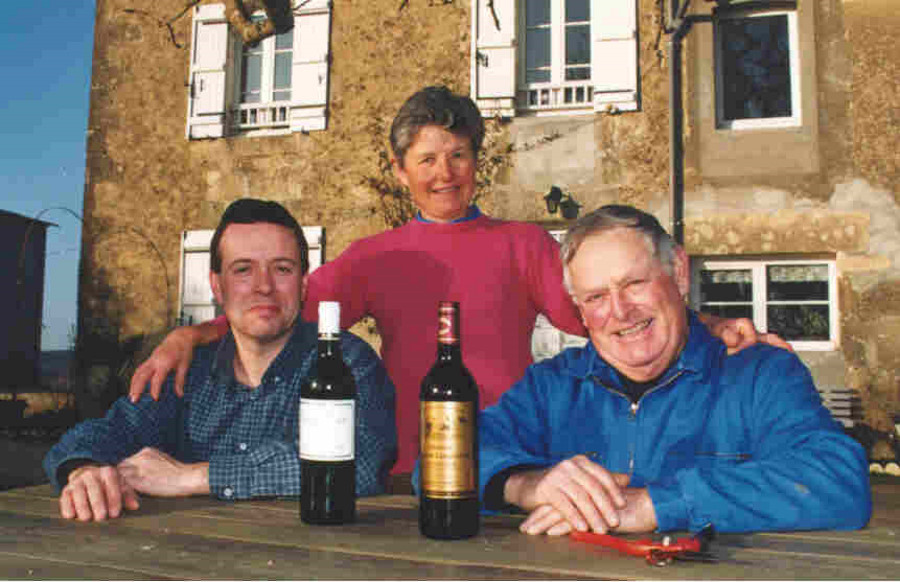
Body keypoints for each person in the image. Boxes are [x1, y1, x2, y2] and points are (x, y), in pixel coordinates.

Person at [127, 87, 786, 475]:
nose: (445, 173)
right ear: (399, 169)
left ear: (477, 161)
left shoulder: (523, 243)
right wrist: (195, 332)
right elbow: (276, 308)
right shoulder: (376, 257)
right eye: (427, 160)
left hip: (513, 466)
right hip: (403, 473)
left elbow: (606, 315)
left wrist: (710, 327)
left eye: (459, 156)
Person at [477, 205, 871, 535]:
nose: (619, 311)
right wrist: (525, 484)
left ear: (679, 273)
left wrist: (655, 505)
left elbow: (838, 480)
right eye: (596, 296)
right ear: (578, 308)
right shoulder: (552, 387)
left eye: (634, 284)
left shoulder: (759, 374)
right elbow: (444, 461)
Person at [43, 199, 397, 522]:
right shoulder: (188, 371)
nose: (264, 286)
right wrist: (85, 470)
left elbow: (360, 464)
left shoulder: (345, 363)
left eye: (283, 269)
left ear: (304, 284)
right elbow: (108, 430)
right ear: (217, 286)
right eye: (243, 269)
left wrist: (191, 477)